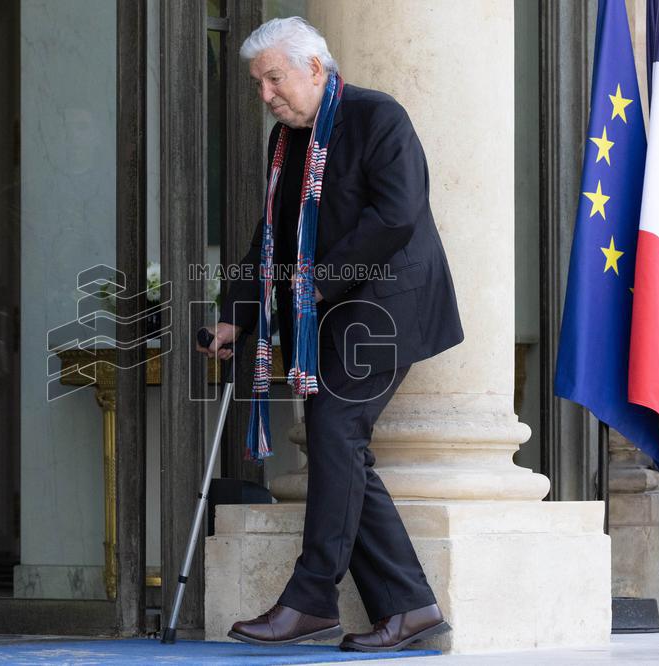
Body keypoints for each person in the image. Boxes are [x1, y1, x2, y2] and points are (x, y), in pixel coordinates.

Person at [196, 17, 464, 652]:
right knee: (338, 445)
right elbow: (274, 235)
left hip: (386, 308)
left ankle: (312, 599)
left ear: (315, 68)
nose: (264, 95)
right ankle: (411, 608)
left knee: (334, 433)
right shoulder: (288, 143)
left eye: (273, 78)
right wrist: (237, 310)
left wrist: (313, 286)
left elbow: (395, 216)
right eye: (258, 83)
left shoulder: (378, 117)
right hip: (329, 316)